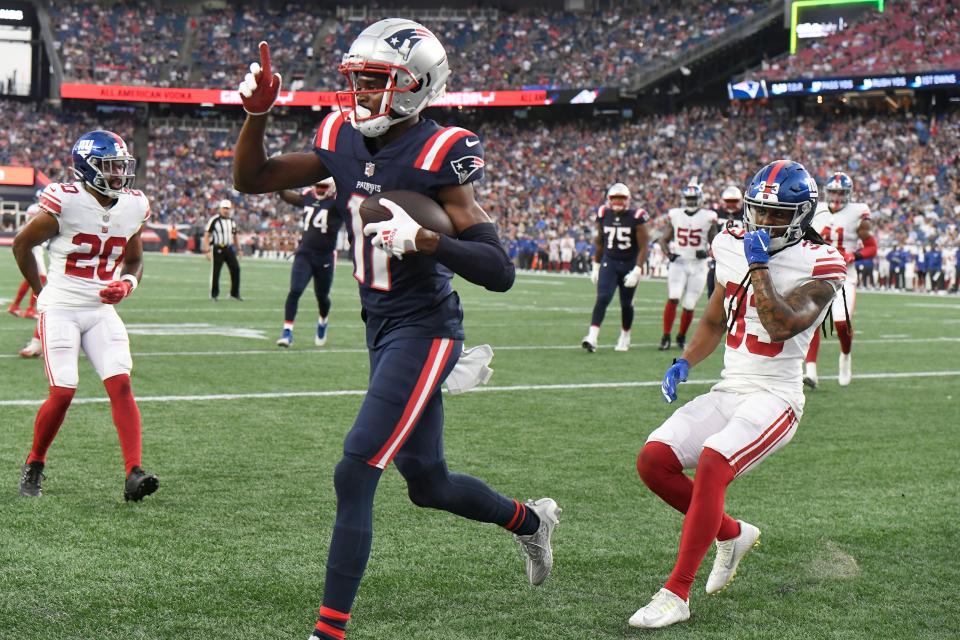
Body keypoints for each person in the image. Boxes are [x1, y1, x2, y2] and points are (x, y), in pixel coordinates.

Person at [232, 25, 560, 640]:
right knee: (427, 483)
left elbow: (500, 270)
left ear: (418, 88)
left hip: (427, 328)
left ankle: (329, 630)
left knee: (355, 469)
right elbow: (254, 178)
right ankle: (529, 522)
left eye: (376, 81)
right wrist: (257, 115)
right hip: (379, 328)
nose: (360, 92)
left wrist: (429, 240)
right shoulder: (338, 135)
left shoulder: (442, 153)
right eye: (356, 78)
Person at [631, 160, 843, 629]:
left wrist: (760, 262)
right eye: (758, 211)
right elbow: (714, 317)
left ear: (802, 215)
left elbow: (781, 323)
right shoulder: (729, 240)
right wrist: (685, 360)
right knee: (653, 460)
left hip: (778, 397)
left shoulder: (823, 261)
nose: (764, 222)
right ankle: (732, 533)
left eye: (777, 214)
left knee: (713, 460)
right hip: (731, 385)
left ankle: (676, 593)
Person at [11, 130, 159, 501]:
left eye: (121, 166)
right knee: (63, 391)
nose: (118, 175)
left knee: (121, 383)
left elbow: (136, 258)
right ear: (87, 169)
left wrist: (126, 283)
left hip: (100, 309)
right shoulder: (66, 201)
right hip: (61, 307)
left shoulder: (132, 205)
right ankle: (35, 463)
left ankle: (133, 473)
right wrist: (42, 292)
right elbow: (22, 244)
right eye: (110, 167)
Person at [802, 172, 876, 388]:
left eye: (841, 192)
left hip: (844, 274)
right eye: (833, 191)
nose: (836, 195)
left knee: (842, 323)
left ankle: (845, 356)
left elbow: (872, 247)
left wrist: (854, 255)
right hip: (818, 273)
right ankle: (811, 372)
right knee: (811, 322)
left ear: (848, 193)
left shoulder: (858, 213)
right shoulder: (817, 210)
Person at [275, 177, 345, 347]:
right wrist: (277, 183)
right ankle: (287, 332)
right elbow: (287, 196)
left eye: (323, 187)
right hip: (304, 254)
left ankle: (323, 320)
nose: (319, 190)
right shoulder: (308, 196)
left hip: (325, 257)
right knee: (295, 290)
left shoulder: (338, 203)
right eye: (317, 186)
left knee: (322, 297)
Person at [581, 183, 650, 352]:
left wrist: (638, 269)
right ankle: (592, 337)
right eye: (615, 198)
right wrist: (596, 265)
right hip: (609, 261)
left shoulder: (636, 216)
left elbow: (644, 246)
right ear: (609, 200)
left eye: (621, 198)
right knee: (602, 297)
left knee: (626, 303)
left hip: (629, 263)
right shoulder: (604, 214)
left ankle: (625, 336)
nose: (618, 202)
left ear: (627, 200)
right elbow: (599, 242)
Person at [658, 183, 719, 351]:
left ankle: (681, 336)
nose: (691, 202)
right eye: (689, 199)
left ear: (699, 199)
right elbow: (663, 239)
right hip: (679, 262)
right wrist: (668, 254)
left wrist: (707, 252)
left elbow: (716, 242)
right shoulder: (675, 215)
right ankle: (665, 335)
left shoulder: (708, 217)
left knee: (690, 303)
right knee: (674, 295)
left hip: (699, 265)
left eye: (693, 199)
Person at [8, 203, 47, 321]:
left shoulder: (36, 207)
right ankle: (30, 309)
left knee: (32, 277)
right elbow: (32, 223)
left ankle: (15, 306)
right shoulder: (37, 207)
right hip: (34, 244)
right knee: (41, 277)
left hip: (35, 244)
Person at [706, 186, 744, 299]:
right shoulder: (715, 213)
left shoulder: (746, 214)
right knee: (713, 288)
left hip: (739, 258)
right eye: (728, 201)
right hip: (719, 257)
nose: (731, 204)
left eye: (734, 201)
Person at [204, 199, 242, 300]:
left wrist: (239, 249)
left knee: (236, 269)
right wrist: (207, 250)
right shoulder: (214, 220)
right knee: (216, 272)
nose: (226, 210)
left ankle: (234, 293)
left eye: (228, 208)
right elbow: (207, 235)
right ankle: (214, 294)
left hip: (229, 248)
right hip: (217, 248)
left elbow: (235, 236)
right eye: (224, 208)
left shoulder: (232, 221)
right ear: (220, 209)